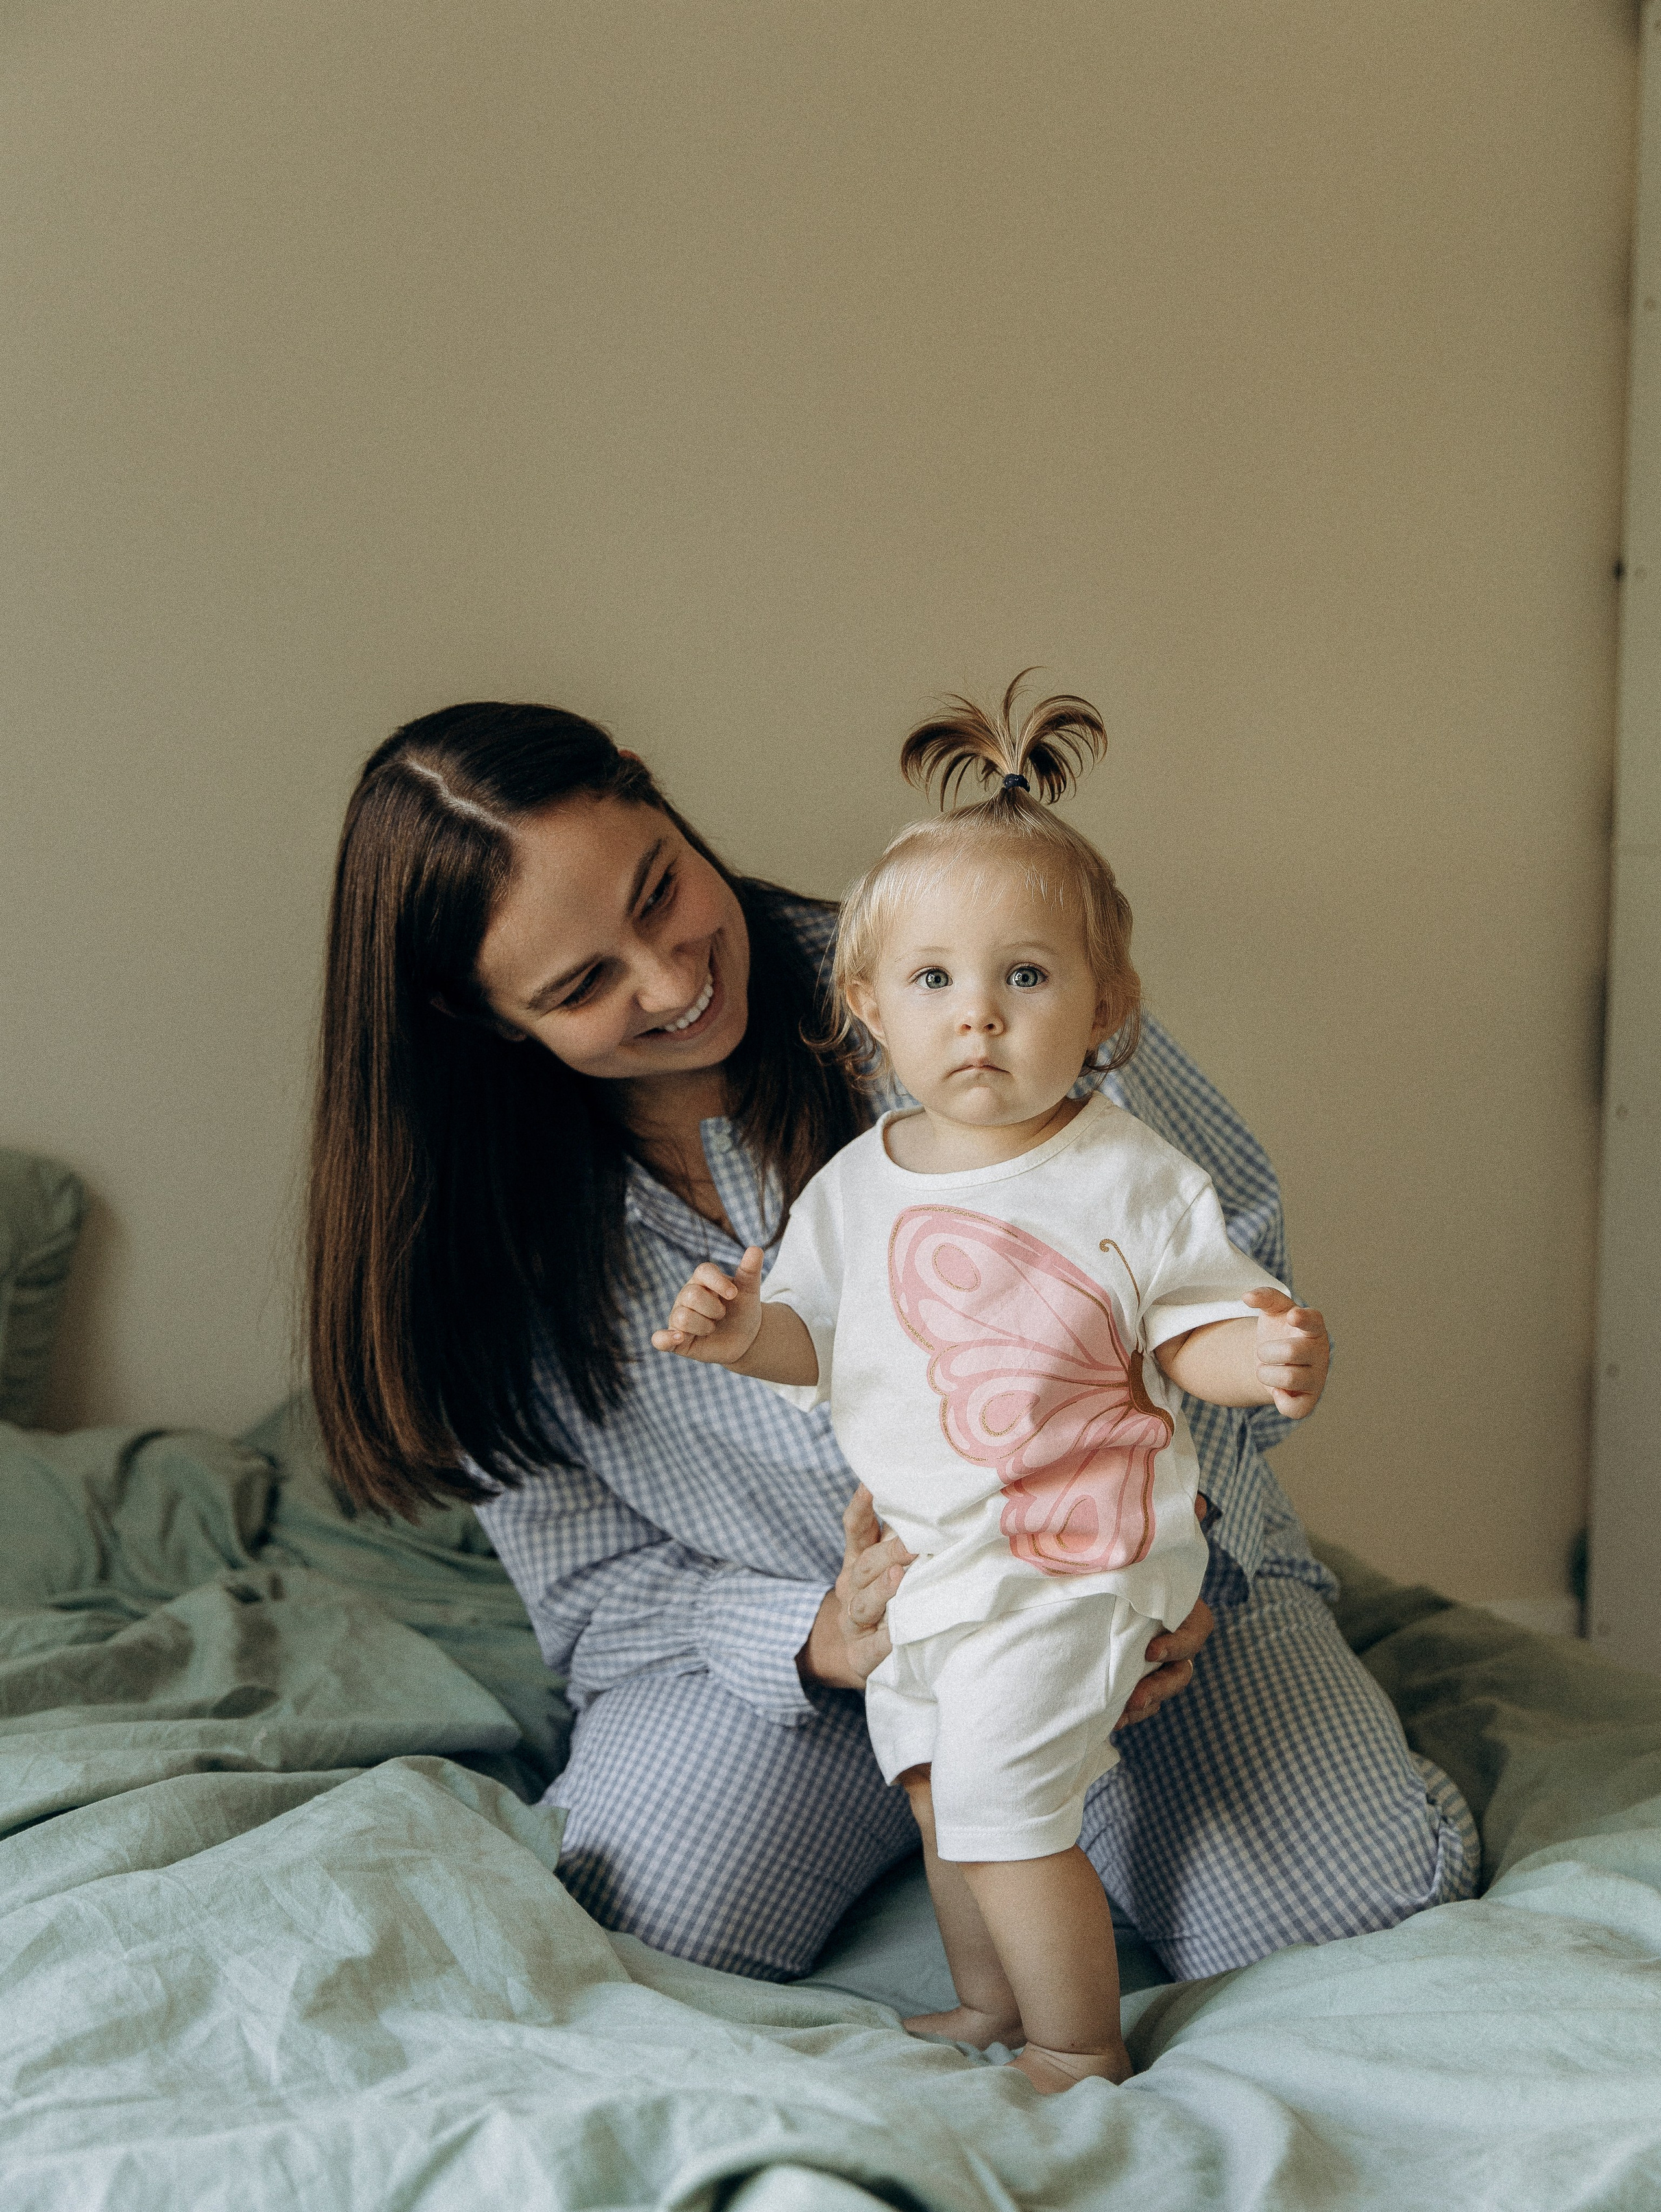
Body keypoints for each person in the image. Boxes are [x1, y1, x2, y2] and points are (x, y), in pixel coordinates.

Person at [306, 696, 1478, 1994]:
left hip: (1111, 1593)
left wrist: (1166, 1573)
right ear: (477, 1017)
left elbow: (1216, 1272)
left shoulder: (962, 961)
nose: (673, 981)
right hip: (789, 1663)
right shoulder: (473, 1236)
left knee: (1354, 1915)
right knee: (630, 1947)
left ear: (656, 795)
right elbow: (590, 1592)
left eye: (658, 892)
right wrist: (821, 1640)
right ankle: (953, 1811)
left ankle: (1053, 1802)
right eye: (583, 985)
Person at [650, 679, 1331, 2089]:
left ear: (1105, 1008)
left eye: (1024, 977)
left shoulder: (1122, 1171)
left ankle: (1077, 2039)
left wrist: (1252, 1354)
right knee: (930, 1783)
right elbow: (813, 1341)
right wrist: (736, 1338)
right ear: (865, 1014)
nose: (978, 1019)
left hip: (1068, 1557)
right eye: (934, 982)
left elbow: (1184, 1325)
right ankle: (983, 2001)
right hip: (931, 1563)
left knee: (1006, 1807)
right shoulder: (855, 1184)